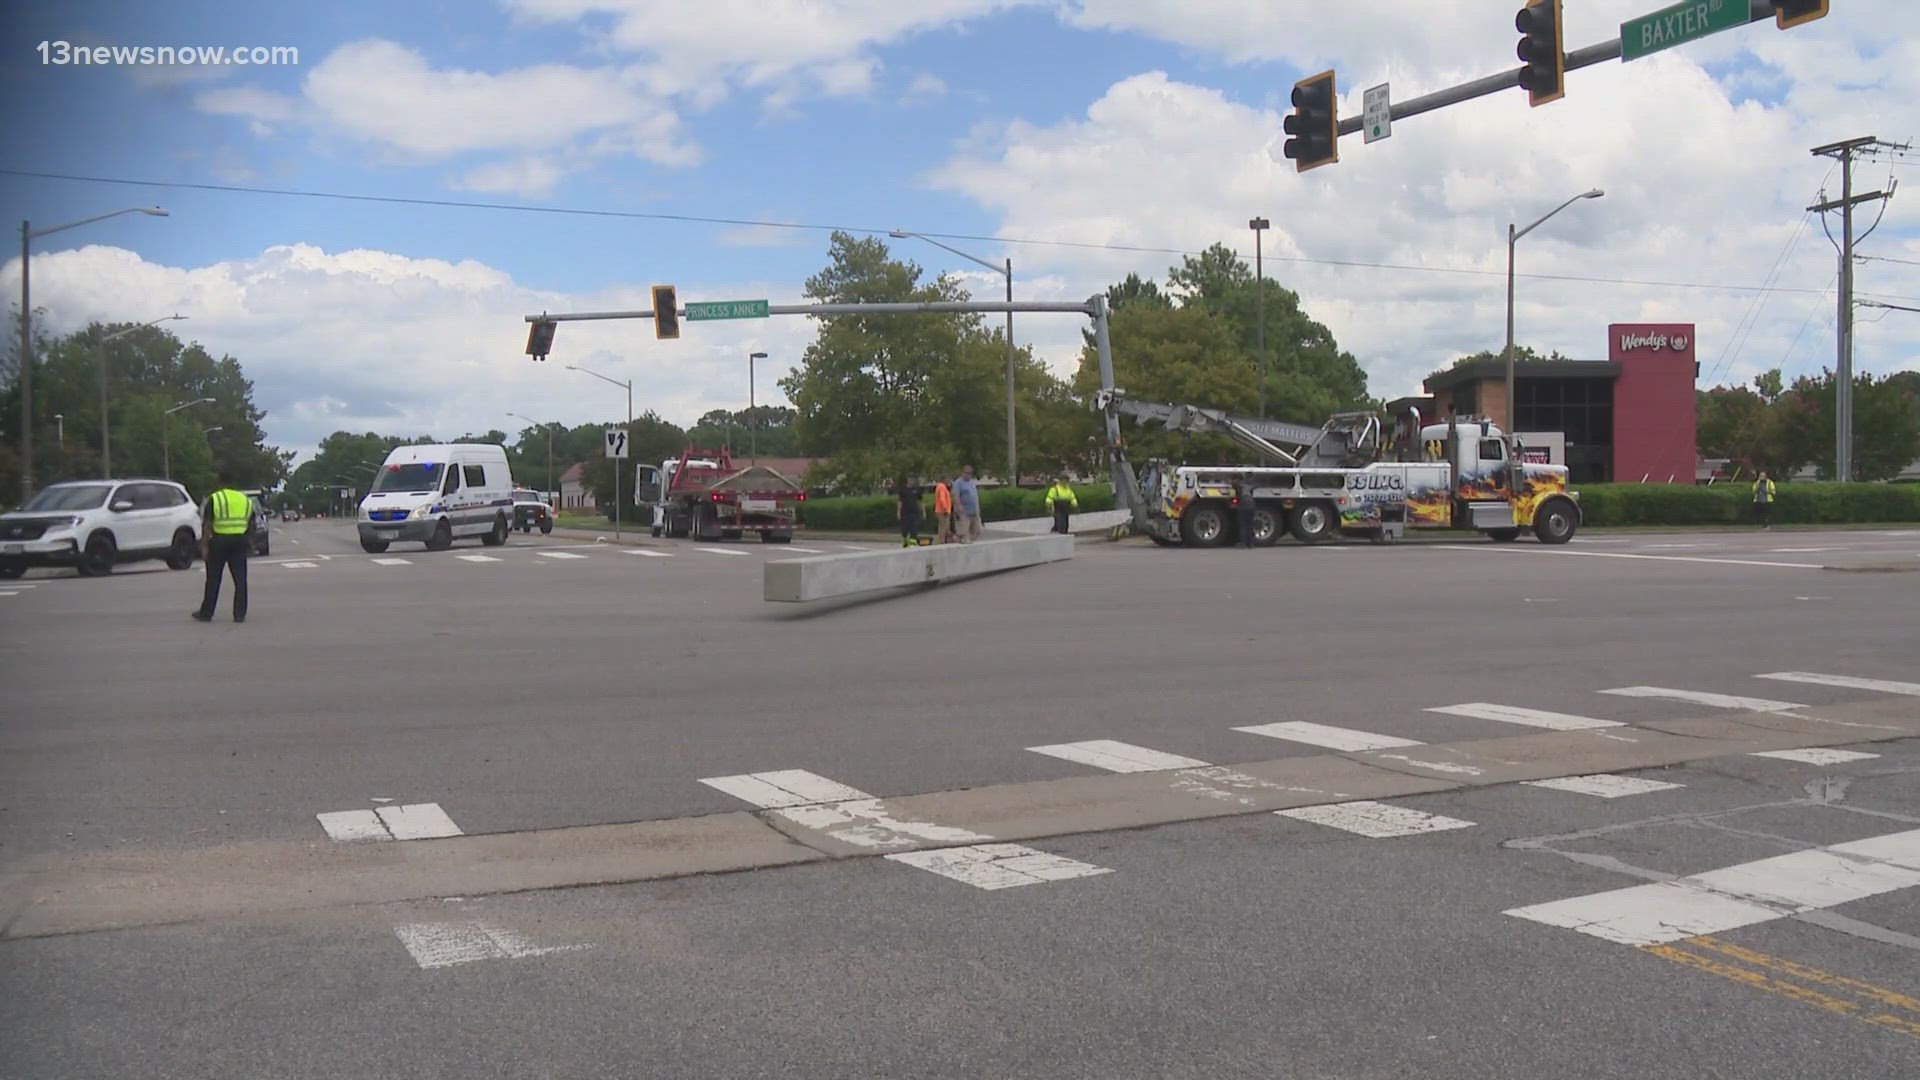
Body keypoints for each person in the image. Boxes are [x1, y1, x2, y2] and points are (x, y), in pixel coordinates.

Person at [193, 469, 258, 623]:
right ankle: (239, 614)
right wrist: (250, 542)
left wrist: (204, 546)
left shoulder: (215, 498)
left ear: (220, 482)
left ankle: (206, 613)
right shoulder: (245, 499)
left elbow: (207, 523)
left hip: (219, 541)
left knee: (213, 579)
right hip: (239, 541)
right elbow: (252, 522)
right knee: (240, 579)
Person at [952, 465, 982, 544]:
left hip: (974, 511)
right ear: (962, 472)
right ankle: (962, 541)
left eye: (970, 473)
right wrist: (959, 506)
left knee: (977, 530)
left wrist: (978, 508)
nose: (968, 475)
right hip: (964, 512)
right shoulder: (958, 483)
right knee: (963, 531)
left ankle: (971, 541)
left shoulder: (972, 483)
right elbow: (955, 495)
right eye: (966, 473)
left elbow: (975, 496)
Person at [894, 476, 923, 547]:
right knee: (904, 529)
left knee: (914, 528)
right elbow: (900, 501)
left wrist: (923, 511)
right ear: (907, 480)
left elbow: (920, 501)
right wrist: (898, 512)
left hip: (915, 512)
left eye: (913, 480)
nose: (911, 481)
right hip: (905, 512)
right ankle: (905, 539)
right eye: (910, 480)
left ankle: (912, 543)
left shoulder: (917, 489)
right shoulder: (903, 490)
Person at [1234, 473, 1258, 548]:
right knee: (1250, 525)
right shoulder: (1251, 485)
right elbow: (1256, 485)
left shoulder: (1240, 485)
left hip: (1243, 505)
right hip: (1252, 505)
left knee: (1243, 525)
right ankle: (1251, 544)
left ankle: (1243, 543)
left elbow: (1234, 484)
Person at [932, 476, 955, 544]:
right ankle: (942, 541)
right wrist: (945, 509)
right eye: (948, 480)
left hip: (940, 510)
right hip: (943, 511)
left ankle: (942, 540)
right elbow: (942, 499)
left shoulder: (939, 486)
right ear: (944, 479)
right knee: (944, 527)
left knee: (942, 526)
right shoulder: (942, 487)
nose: (949, 482)